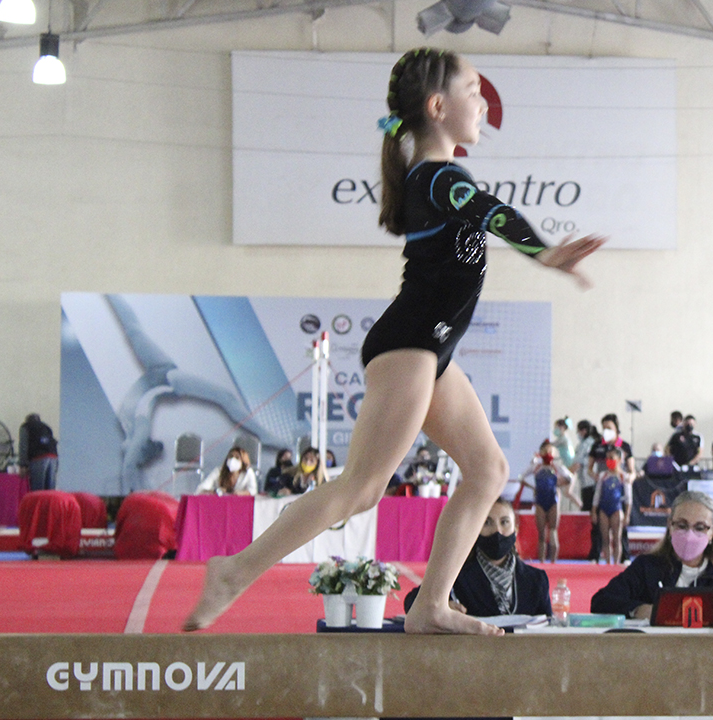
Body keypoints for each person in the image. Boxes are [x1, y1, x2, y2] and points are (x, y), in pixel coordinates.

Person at [182, 47, 604, 635]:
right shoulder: (437, 176)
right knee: (362, 488)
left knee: (487, 469)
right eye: (473, 91)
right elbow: (487, 209)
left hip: (430, 349)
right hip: (410, 343)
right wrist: (545, 252)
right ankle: (234, 571)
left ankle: (431, 605)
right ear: (437, 106)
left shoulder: (431, 174)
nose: (484, 103)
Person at [590, 491, 713, 619]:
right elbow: (600, 602)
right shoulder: (646, 568)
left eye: (699, 528)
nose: (689, 534)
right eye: (682, 525)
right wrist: (638, 610)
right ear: (670, 525)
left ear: (712, 533)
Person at [403, 498, 552, 616]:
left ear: (516, 529)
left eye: (505, 522)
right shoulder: (456, 578)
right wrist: (441, 606)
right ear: (475, 529)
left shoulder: (536, 580)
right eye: (487, 523)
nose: (497, 531)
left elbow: (548, 631)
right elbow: (412, 602)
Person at [518, 440, 580, 562]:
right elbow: (521, 477)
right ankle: (541, 561)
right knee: (541, 535)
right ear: (540, 452)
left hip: (553, 500)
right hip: (540, 500)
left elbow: (570, 478)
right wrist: (533, 487)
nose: (547, 453)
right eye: (545, 451)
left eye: (550, 451)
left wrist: (560, 483)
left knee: (552, 532)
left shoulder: (557, 467)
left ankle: (553, 562)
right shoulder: (536, 467)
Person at [592, 447, 628, 564]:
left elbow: (628, 498)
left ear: (619, 459)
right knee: (605, 539)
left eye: (611, 458)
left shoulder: (623, 477)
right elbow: (597, 495)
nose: (608, 460)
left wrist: (627, 514)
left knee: (617, 538)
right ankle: (608, 563)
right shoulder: (603, 476)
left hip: (616, 509)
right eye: (607, 458)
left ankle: (616, 563)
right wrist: (594, 511)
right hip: (603, 509)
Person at [18, 413, 58, 492]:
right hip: (53, 458)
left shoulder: (26, 426)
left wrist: (23, 465)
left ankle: (38, 504)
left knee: (38, 490)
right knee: (50, 491)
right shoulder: (47, 427)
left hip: (38, 458)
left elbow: (23, 445)